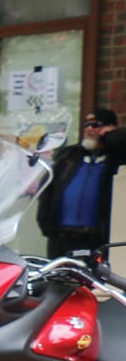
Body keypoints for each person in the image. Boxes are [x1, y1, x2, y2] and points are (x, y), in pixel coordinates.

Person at [36, 106, 126, 258]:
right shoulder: (69, 156)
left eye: (96, 125)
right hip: (62, 238)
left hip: (97, 240)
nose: (89, 129)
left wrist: (111, 136)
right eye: (86, 125)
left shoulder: (116, 158)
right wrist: (46, 225)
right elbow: (47, 190)